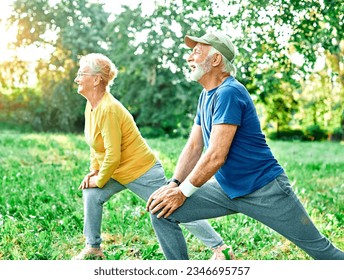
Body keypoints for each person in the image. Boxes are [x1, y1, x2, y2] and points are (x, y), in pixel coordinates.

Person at [146, 32, 344, 260]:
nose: (189, 57)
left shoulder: (229, 92)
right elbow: (194, 146)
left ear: (216, 60)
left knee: (324, 253)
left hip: (265, 189)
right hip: (226, 188)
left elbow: (216, 156)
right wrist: (174, 184)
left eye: (196, 52)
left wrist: (183, 193)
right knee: (162, 211)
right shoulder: (206, 95)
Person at [72, 53, 233, 260]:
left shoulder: (109, 109)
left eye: (81, 73)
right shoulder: (91, 105)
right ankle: (93, 247)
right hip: (117, 170)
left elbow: (113, 155)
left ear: (96, 80)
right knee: (91, 194)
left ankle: (221, 249)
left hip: (141, 171)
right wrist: (94, 172)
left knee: (169, 208)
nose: (77, 78)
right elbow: (96, 146)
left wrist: (100, 179)